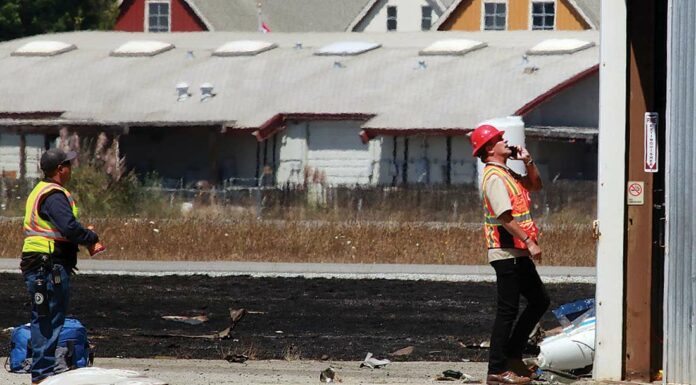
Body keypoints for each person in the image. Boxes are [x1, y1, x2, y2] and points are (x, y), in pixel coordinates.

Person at [469, 125, 550, 385]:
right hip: (506, 252)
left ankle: (513, 356)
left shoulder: (507, 173)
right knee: (507, 311)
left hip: (518, 252)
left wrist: (528, 161)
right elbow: (504, 217)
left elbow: (535, 185)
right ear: (489, 149)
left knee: (539, 300)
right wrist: (529, 241)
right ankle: (497, 369)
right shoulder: (494, 176)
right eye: (499, 139)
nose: (505, 141)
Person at [20, 148, 101, 384]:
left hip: (41, 264)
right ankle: (42, 375)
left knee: (44, 317)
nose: (71, 169)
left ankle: (42, 373)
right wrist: (91, 237)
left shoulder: (40, 190)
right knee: (48, 319)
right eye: (69, 165)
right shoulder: (54, 195)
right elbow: (69, 227)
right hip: (48, 266)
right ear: (60, 169)